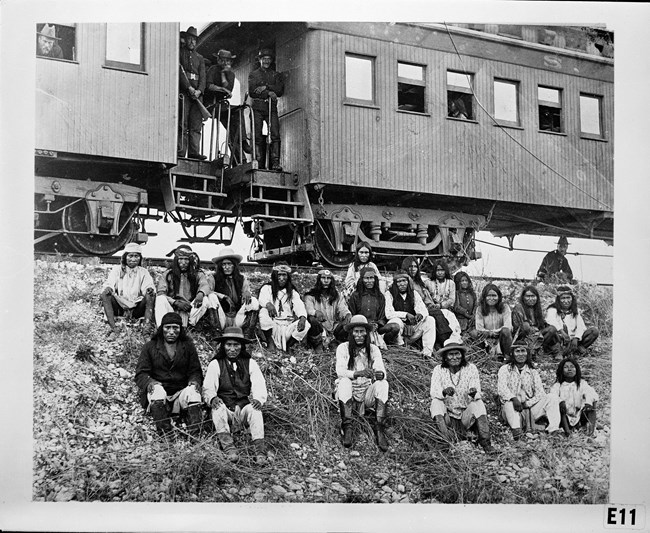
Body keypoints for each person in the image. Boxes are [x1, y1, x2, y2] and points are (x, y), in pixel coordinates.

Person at [203, 327, 268, 464]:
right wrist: (212, 398)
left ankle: (260, 451)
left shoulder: (250, 363)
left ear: (242, 346)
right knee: (218, 408)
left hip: (242, 409)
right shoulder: (215, 364)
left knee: (255, 410)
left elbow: (259, 383)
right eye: (229, 345)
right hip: (225, 409)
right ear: (223, 346)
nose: (232, 349)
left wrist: (258, 399)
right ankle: (229, 448)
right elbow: (208, 387)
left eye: (236, 345)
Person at [134, 312, 204, 438]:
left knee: (194, 392)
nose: (171, 332)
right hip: (160, 393)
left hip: (180, 392)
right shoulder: (150, 347)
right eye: (168, 328)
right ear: (162, 329)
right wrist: (150, 382)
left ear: (180, 329)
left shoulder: (188, 347)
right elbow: (141, 373)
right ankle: (166, 435)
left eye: (175, 328)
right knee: (157, 391)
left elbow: (195, 371)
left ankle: (195, 435)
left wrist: (194, 381)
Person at [335, 315, 390, 451]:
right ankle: (347, 427)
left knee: (383, 384)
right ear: (351, 333)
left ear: (367, 333)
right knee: (344, 381)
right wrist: (357, 373)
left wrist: (379, 374)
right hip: (349, 394)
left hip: (366, 393)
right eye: (356, 332)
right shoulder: (343, 348)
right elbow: (340, 371)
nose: (359, 335)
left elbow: (381, 369)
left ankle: (379, 429)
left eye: (362, 332)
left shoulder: (373, 349)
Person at [429, 340, 494, 453]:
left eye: (457, 354)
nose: (454, 357)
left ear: (462, 355)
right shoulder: (438, 370)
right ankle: (445, 440)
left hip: (465, 416)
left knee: (478, 403)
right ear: (445, 357)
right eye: (451, 354)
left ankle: (486, 442)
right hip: (448, 417)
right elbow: (433, 392)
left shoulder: (471, 368)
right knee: (435, 403)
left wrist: (473, 393)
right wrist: (444, 392)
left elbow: (477, 391)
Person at [497, 343, 562, 440]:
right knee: (508, 403)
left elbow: (540, 393)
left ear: (527, 354)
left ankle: (553, 430)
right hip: (512, 410)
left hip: (530, 410)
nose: (520, 354)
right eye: (517, 351)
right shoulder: (505, 369)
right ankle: (517, 431)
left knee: (552, 397)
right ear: (512, 354)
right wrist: (514, 399)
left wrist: (527, 403)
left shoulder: (532, 371)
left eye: (523, 351)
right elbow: (502, 389)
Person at [154, 245, 220, 331]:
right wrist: (176, 303)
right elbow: (161, 292)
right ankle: (162, 328)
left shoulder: (197, 274)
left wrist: (200, 294)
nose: (183, 262)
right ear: (176, 260)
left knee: (207, 298)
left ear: (191, 260)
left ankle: (194, 326)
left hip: (190, 308)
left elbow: (205, 285)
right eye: (180, 259)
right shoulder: (168, 274)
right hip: (172, 308)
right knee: (160, 299)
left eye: (186, 259)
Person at [100, 243, 155, 338]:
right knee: (105, 294)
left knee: (151, 295)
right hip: (120, 307)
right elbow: (109, 283)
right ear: (125, 257)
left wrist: (149, 290)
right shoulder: (117, 270)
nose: (133, 259)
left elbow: (148, 285)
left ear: (140, 258)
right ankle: (113, 328)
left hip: (136, 308)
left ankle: (146, 329)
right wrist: (109, 288)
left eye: (136, 256)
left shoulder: (143, 272)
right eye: (130, 256)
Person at [204, 49, 251, 161]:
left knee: (237, 116)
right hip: (212, 105)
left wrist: (223, 74)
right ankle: (241, 149)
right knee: (232, 127)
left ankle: (241, 153)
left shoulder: (231, 74)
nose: (225, 63)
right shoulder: (212, 69)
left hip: (223, 106)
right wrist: (222, 89)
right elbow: (209, 86)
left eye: (227, 61)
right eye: (223, 60)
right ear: (218, 59)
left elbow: (228, 90)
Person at [258, 261, 310, 352]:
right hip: (272, 327)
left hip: (287, 327)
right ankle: (271, 343)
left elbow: (299, 305)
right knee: (263, 311)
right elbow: (262, 299)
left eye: (284, 275)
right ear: (274, 275)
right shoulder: (267, 288)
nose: (282, 278)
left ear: (288, 276)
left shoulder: (292, 291)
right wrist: (268, 304)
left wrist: (302, 317)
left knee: (306, 324)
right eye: (279, 275)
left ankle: (289, 346)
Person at [209, 247, 260, 339]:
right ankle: (216, 334)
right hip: (222, 316)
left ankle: (247, 336)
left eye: (229, 264)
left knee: (254, 301)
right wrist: (223, 296)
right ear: (220, 266)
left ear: (234, 265)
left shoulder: (241, 278)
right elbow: (208, 291)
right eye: (224, 264)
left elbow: (246, 292)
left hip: (237, 316)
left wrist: (247, 293)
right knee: (211, 297)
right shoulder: (213, 278)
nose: (227, 267)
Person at [384, 270, 437, 357]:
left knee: (430, 320)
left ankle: (427, 353)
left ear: (408, 281)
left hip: (412, 331)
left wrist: (420, 315)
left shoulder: (413, 293)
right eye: (399, 281)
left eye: (404, 281)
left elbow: (423, 309)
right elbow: (389, 313)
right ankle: (400, 348)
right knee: (396, 320)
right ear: (395, 283)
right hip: (398, 332)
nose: (402, 284)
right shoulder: (389, 294)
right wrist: (405, 315)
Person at [347, 266, 401, 349]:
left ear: (375, 279)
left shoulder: (380, 296)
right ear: (362, 280)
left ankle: (387, 342)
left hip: (376, 328)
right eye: (366, 278)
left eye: (371, 278)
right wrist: (365, 323)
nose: (369, 281)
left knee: (395, 327)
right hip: (360, 327)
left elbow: (382, 316)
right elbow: (352, 315)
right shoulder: (355, 296)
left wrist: (378, 324)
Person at [248, 48, 284, 170]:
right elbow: (252, 92)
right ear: (260, 60)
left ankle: (275, 163)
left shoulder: (276, 75)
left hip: (271, 108)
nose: (266, 61)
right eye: (264, 59)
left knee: (275, 134)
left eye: (269, 59)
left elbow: (279, 90)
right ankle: (258, 162)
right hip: (258, 108)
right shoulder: (253, 74)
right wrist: (269, 93)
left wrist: (265, 87)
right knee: (257, 136)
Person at [304, 269, 352, 353]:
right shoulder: (310, 295)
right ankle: (317, 344)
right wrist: (316, 312)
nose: (326, 281)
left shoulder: (336, 295)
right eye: (323, 278)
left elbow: (342, 308)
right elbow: (309, 309)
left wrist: (347, 314)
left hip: (333, 326)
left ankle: (336, 342)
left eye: (328, 278)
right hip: (319, 328)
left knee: (348, 322)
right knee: (312, 320)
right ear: (319, 280)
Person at [544, 285, 599, 356]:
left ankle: (578, 348)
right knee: (552, 331)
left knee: (594, 331)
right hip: (559, 339)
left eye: (568, 297)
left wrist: (576, 338)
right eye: (563, 298)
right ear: (558, 300)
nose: (566, 301)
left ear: (572, 298)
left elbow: (580, 326)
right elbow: (551, 321)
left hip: (572, 339)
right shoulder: (552, 310)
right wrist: (562, 332)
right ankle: (558, 351)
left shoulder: (575, 311)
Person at [550, 358, 599, 437]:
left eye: (572, 367)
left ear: (576, 369)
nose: (569, 369)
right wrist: (560, 401)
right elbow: (552, 395)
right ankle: (567, 432)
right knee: (560, 406)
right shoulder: (558, 385)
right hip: (564, 417)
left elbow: (591, 393)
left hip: (579, 415)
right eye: (566, 367)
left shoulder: (582, 383)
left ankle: (591, 432)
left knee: (592, 402)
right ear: (561, 370)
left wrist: (588, 403)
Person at [178, 26, 207, 160]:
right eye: (190, 39)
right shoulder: (180, 54)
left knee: (195, 125)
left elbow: (203, 77)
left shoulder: (200, 58)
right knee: (182, 124)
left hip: (197, 96)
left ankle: (194, 153)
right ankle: (181, 151)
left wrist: (199, 91)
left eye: (194, 40)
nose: (192, 42)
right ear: (186, 39)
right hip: (185, 93)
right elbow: (180, 72)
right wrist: (188, 87)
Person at [512, 285, 562, 359]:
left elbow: (541, 324)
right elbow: (519, 327)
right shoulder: (519, 307)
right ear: (523, 297)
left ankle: (544, 350)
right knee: (526, 325)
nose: (530, 299)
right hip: (524, 336)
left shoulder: (536, 309)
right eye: (528, 296)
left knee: (552, 329)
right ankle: (533, 350)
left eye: (533, 296)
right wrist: (535, 331)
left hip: (537, 335)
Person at [474, 282, 513, 358]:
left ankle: (507, 357)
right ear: (484, 297)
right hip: (486, 338)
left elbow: (508, 326)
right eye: (488, 296)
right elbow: (479, 328)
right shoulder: (480, 309)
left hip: (502, 338)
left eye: (494, 295)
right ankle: (482, 357)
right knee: (475, 333)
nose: (491, 298)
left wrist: (494, 332)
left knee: (505, 331)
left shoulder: (505, 307)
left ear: (499, 297)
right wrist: (490, 333)